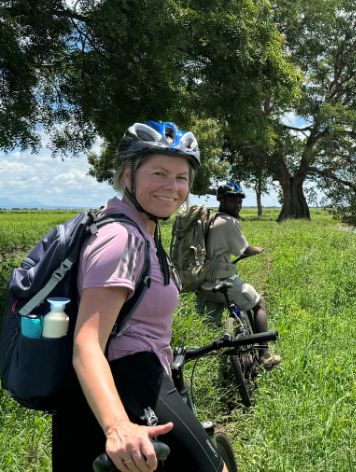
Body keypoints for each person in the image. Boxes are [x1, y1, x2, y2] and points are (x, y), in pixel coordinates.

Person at [51, 121, 228, 472]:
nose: (172, 187)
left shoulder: (140, 228)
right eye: (158, 173)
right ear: (128, 176)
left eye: (181, 177)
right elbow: (87, 342)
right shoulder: (122, 238)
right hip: (132, 383)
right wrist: (117, 425)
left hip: (125, 382)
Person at [198, 181, 281, 368]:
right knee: (258, 304)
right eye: (232, 200)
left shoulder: (212, 220)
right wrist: (256, 250)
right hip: (222, 280)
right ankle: (264, 354)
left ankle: (210, 363)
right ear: (221, 200)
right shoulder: (229, 222)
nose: (237, 204)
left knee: (210, 324)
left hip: (205, 283)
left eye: (239, 201)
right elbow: (243, 250)